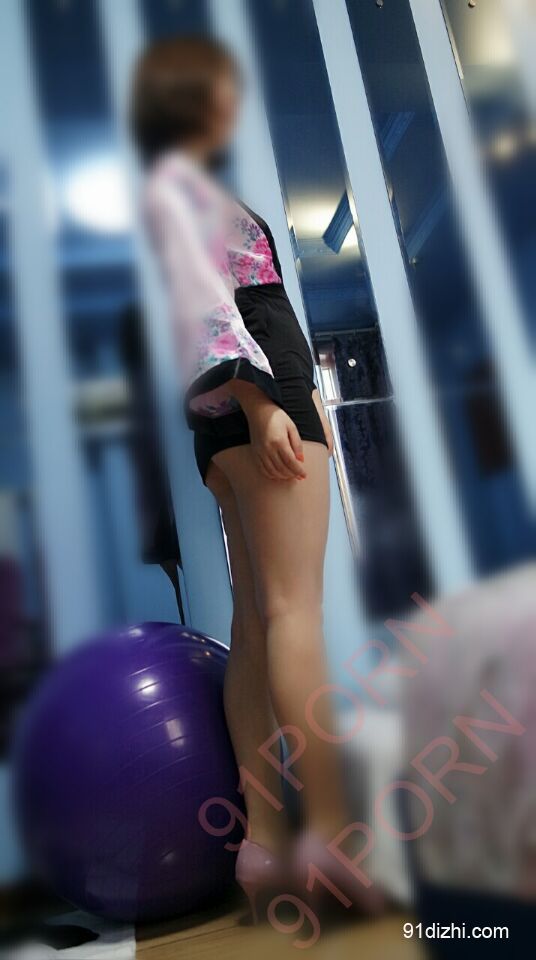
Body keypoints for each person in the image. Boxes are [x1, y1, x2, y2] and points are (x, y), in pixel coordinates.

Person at [131, 36, 381, 921]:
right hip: (258, 404)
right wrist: (266, 401)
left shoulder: (174, 190)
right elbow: (209, 308)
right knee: (292, 614)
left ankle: (266, 841)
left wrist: (261, 404)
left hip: (231, 420)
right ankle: (335, 842)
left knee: (254, 618)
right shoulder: (180, 191)